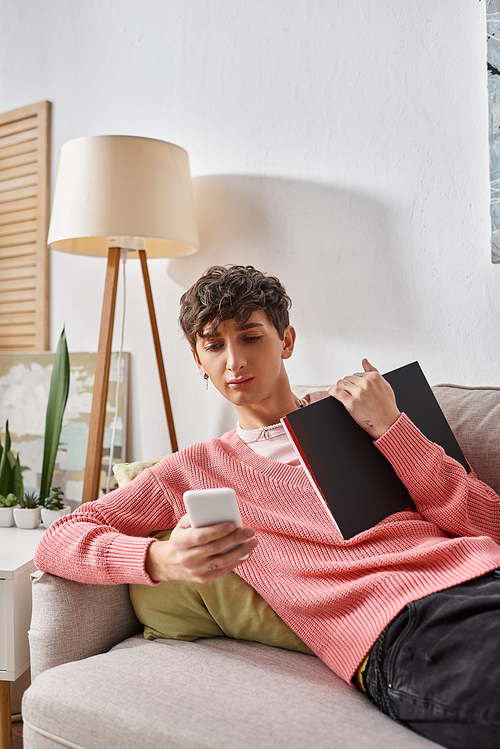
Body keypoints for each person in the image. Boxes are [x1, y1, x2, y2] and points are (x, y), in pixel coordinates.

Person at [35, 264, 500, 749]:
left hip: (485, 579)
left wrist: (393, 431)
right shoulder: (194, 469)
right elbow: (61, 536)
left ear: (287, 341)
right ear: (198, 360)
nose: (233, 361)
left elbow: (489, 523)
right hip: (405, 626)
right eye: (214, 345)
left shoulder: (365, 407)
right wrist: (157, 559)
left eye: (251, 337)